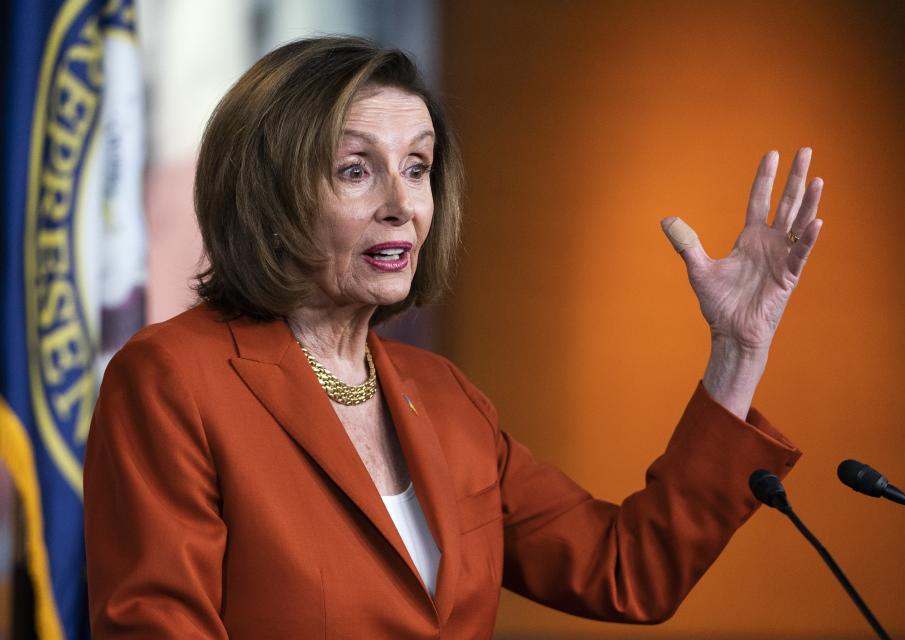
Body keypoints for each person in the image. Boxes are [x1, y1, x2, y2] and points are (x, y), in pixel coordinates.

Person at [84, 37, 823, 639]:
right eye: (354, 170)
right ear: (268, 192)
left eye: (418, 167)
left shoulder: (445, 397)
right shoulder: (175, 379)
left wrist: (738, 352)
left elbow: (626, 570)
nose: (402, 205)